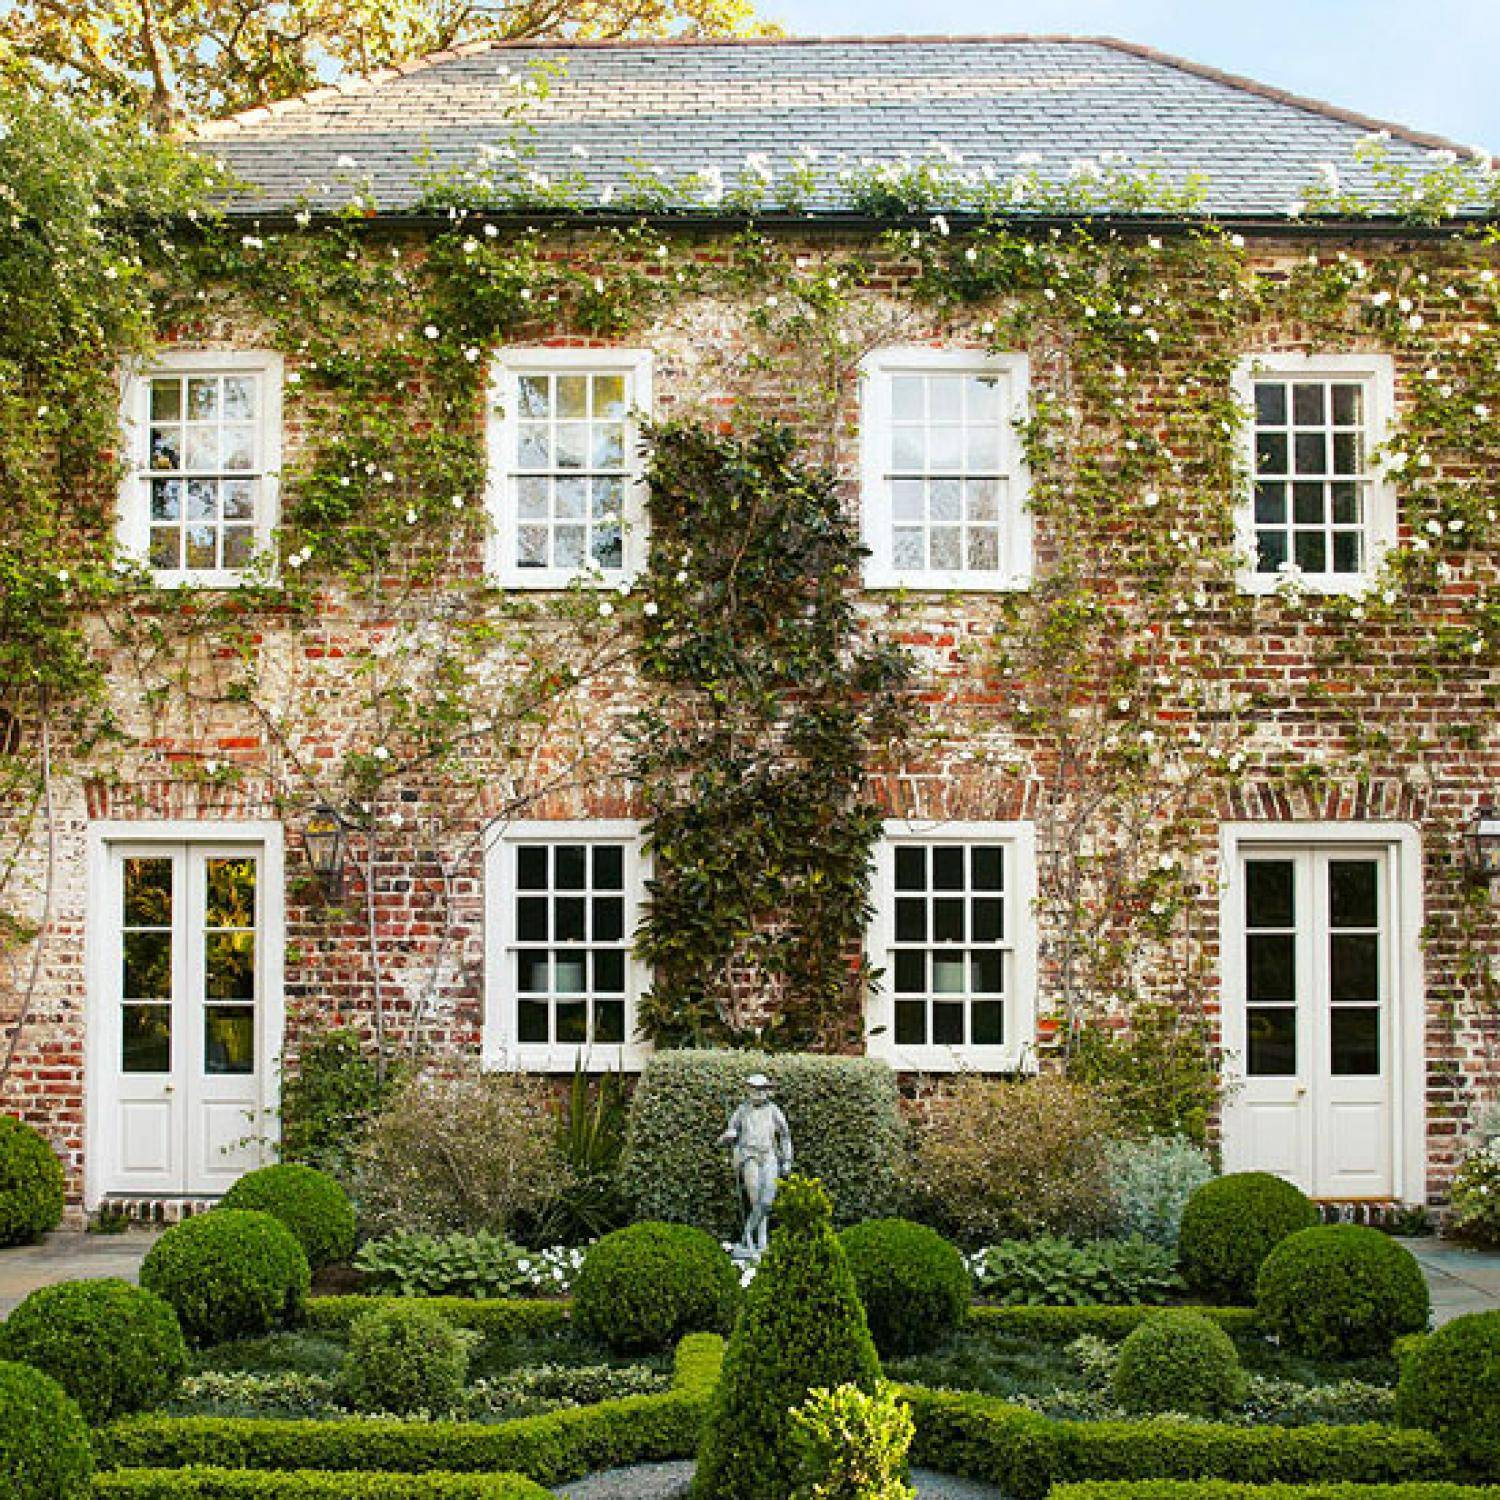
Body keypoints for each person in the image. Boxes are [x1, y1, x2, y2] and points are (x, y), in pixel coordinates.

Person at [717, 1073, 793, 1259]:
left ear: (767, 1091)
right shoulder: (742, 1111)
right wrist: (728, 1137)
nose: (758, 1093)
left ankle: (747, 1235)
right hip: (749, 1157)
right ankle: (760, 1241)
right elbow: (728, 1135)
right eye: (754, 1089)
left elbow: (785, 1135)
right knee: (754, 1199)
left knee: (766, 1201)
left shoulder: (774, 1110)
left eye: (762, 1089)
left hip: (769, 1156)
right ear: (749, 1090)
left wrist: (788, 1160)